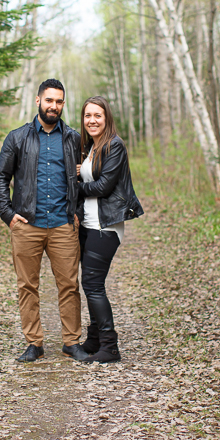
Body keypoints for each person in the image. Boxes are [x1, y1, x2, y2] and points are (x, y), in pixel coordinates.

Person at [0, 79, 89, 363]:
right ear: (38, 101)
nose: (54, 106)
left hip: (63, 225)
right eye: (49, 100)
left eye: (59, 101)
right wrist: (8, 214)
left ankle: (72, 341)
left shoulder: (73, 138)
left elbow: (87, 178)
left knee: (69, 285)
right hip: (27, 226)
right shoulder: (17, 138)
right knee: (27, 285)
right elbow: (1, 177)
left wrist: (78, 213)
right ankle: (34, 343)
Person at [76, 96, 144, 363]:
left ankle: (109, 345)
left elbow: (103, 187)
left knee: (93, 284)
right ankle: (94, 339)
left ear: (107, 119)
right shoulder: (91, 147)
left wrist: (77, 183)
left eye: (98, 116)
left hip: (106, 227)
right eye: (88, 116)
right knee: (91, 283)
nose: (92, 120)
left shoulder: (114, 145)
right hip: (90, 225)